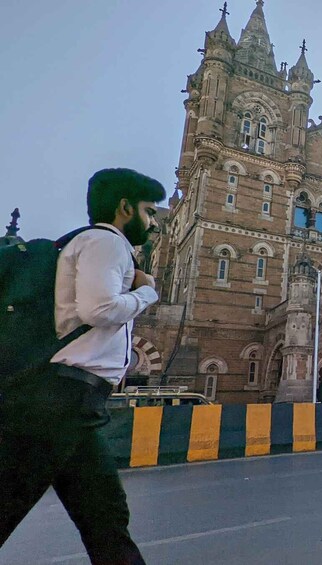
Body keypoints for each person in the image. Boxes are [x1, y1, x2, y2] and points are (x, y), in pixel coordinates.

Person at [0, 168, 165, 564]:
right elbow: (100, 309)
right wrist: (146, 291)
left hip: (72, 403)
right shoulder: (106, 242)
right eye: (148, 211)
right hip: (57, 400)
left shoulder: (95, 244)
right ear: (125, 207)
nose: (153, 221)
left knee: (106, 517)